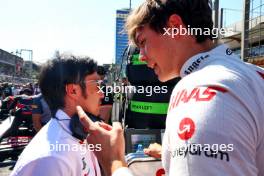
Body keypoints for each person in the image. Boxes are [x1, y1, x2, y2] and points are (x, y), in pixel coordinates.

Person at [77, 0, 264, 176]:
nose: (141, 56)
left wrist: (114, 162)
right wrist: (173, 153)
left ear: (174, 27)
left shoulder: (199, 91)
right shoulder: (253, 74)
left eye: (143, 42)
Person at [10, 56, 104, 176]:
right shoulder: (51, 160)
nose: (102, 94)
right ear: (73, 90)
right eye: (97, 84)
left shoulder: (78, 134)